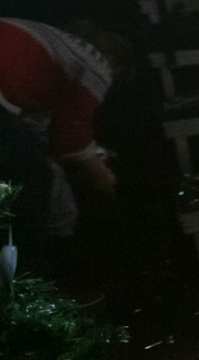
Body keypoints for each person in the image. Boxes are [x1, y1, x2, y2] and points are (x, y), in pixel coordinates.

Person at [0, 19, 126, 276]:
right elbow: (69, 138)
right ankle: (26, 278)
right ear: (113, 60)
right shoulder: (95, 64)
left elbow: (45, 139)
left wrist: (90, 156)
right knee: (33, 178)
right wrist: (101, 176)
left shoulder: (52, 61)